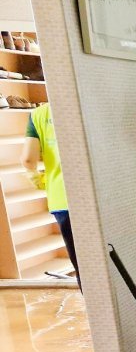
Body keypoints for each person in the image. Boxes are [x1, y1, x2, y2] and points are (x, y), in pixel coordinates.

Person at [22, 104, 78, 285]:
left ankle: (95, 309)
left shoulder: (38, 114)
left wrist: (37, 178)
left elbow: (28, 159)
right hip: (93, 195)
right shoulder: (87, 103)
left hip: (61, 197)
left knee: (82, 264)